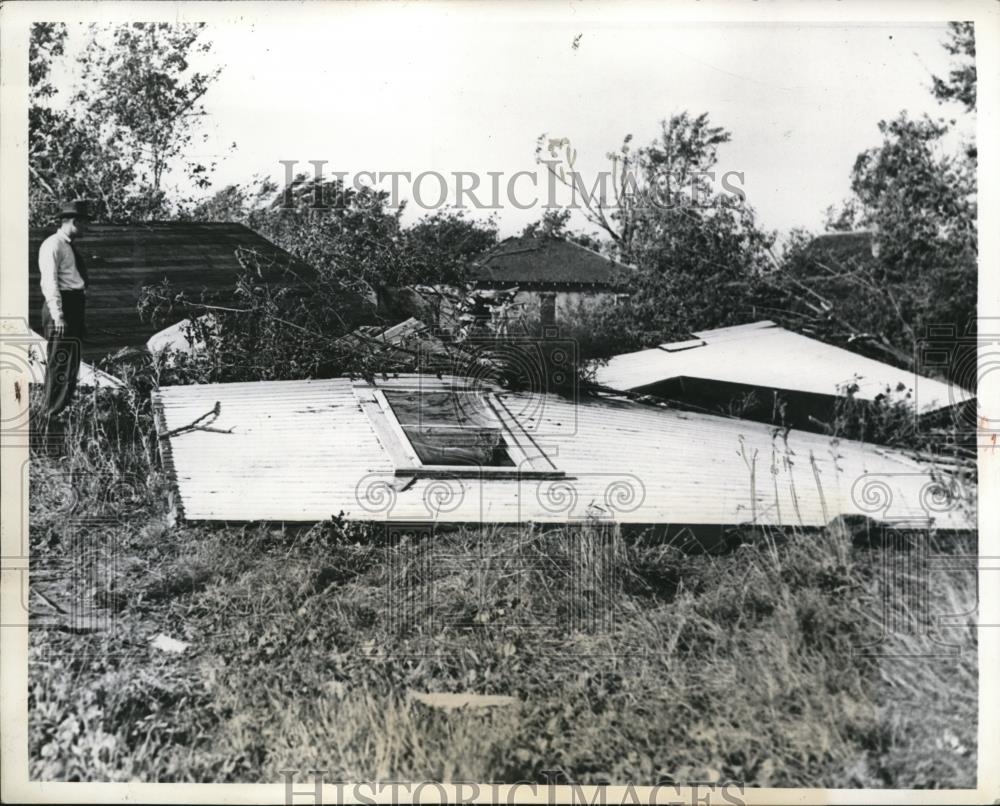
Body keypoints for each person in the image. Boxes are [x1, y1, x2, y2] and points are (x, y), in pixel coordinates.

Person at [38, 200, 91, 428]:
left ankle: (60, 414)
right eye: (85, 223)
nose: (87, 228)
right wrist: (58, 315)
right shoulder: (53, 245)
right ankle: (48, 416)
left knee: (71, 364)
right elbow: (49, 282)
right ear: (74, 221)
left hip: (74, 306)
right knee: (59, 362)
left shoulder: (69, 245)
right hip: (62, 307)